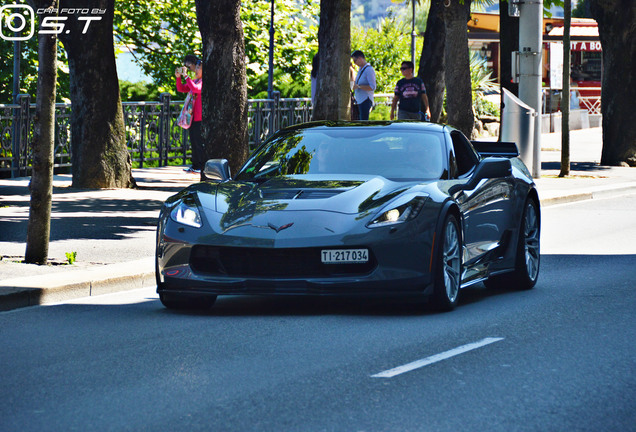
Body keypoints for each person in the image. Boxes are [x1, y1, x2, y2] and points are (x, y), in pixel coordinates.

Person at [176, 54, 204, 173]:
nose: (196, 70)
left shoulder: (202, 82)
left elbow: (196, 89)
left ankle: (200, 166)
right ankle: (195, 165)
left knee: (198, 142)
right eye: (196, 68)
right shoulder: (195, 80)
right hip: (192, 117)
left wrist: (186, 76)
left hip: (199, 117)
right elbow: (182, 88)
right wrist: (178, 77)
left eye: (198, 68)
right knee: (193, 141)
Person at [351, 50, 376, 120]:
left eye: (355, 61)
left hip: (365, 100)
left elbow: (372, 87)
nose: (355, 63)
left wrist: (359, 86)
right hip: (359, 100)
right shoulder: (360, 69)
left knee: (364, 121)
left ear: (360, 58)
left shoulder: (369, 70)